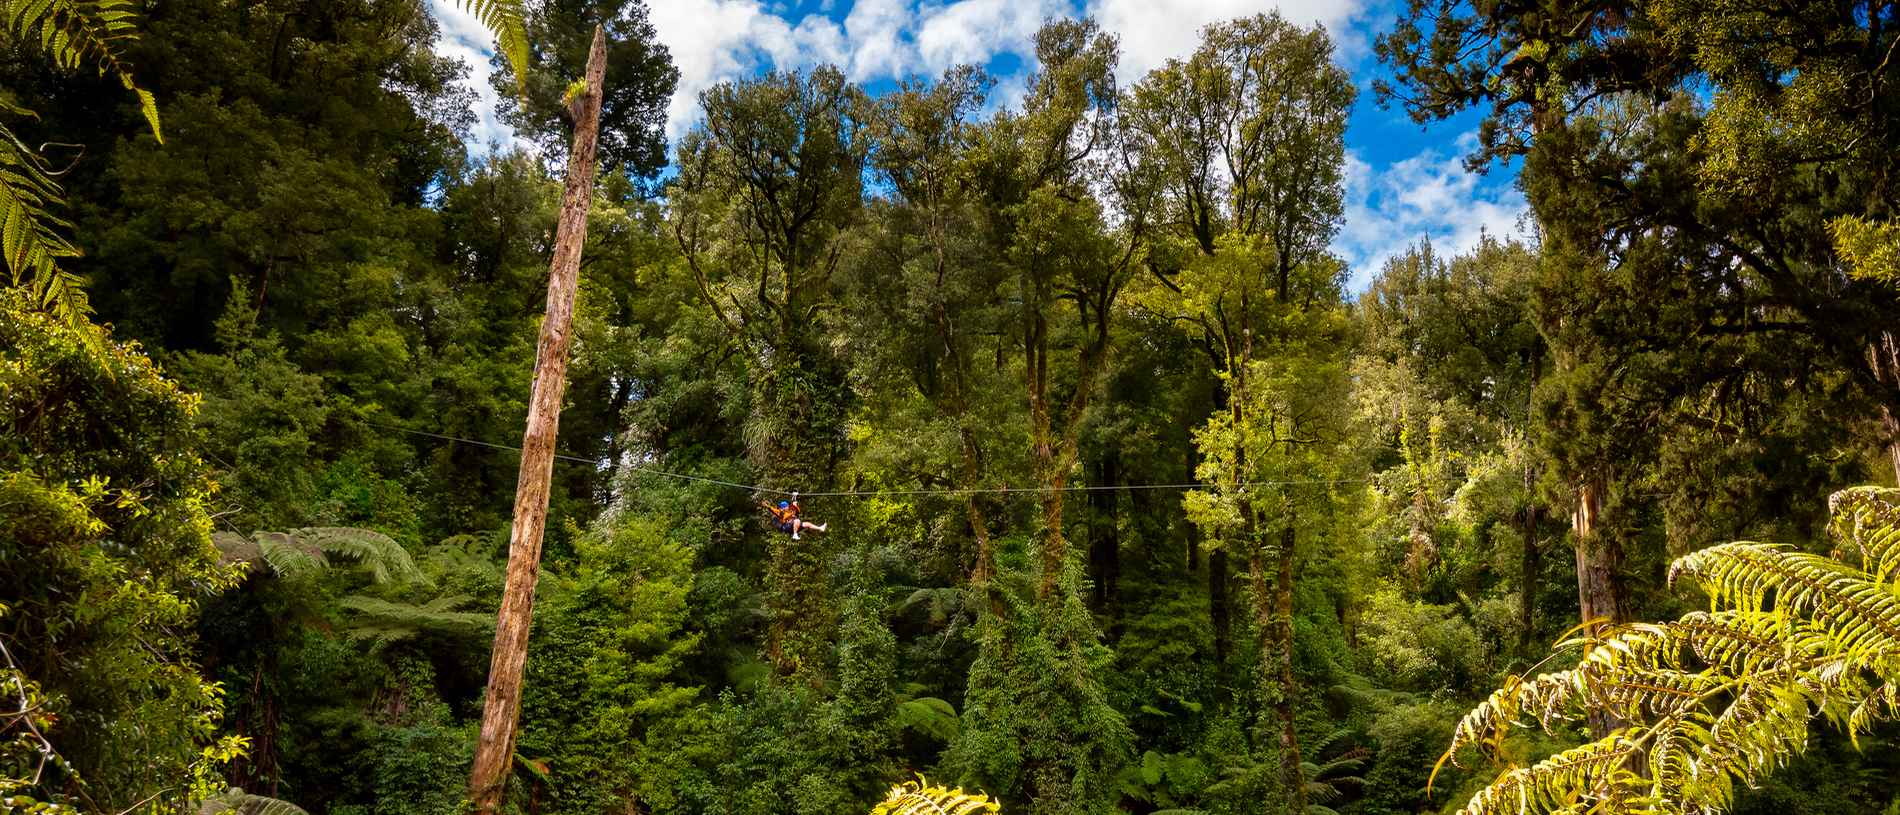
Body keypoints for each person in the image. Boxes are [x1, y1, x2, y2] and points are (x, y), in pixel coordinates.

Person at [761, 492, 827, 540]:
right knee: (797, 520)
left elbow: (796, 510)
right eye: (786, 507)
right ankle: (795, 535)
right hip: (787, 526)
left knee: (807, 524)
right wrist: (767, 506)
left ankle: (820, 528)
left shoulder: (791, 512)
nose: (787, 508)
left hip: (794, 526)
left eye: (788, 506)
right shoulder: (781, 513)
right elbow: (773, 509)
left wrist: (794, 502)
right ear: (783, 508)